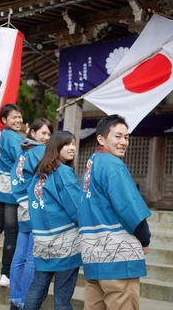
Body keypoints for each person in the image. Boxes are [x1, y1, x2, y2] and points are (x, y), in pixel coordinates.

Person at [78, 114, 151, 310]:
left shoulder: (92, 164)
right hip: (118, 258)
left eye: (126, 137)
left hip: (94, 256)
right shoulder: (112, 165)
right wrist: (144, 239)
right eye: (118, 136)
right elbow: (130, 207)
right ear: (101, 138)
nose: (123, 142)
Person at [23, 131, 82, 310]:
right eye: (67, 144)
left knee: (36, 290)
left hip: (42, 241)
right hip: (65, 241)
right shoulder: (63, 171)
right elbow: (75, 207)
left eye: (73, 143)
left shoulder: (38, 173)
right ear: (56, 147)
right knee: (62, 300)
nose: (72, 147)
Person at [9, 118, 54, 310]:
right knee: (32, 258)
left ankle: (15, 299)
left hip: (22, 206)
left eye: (49, 134)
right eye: (43, 133)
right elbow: (48, 176)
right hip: (35, 207)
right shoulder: (39, 151)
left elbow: (15, 177)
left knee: (19, 257)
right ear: (32, 132)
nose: (47, 138)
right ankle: (27, 300)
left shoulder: (24, 151)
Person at [0, 103, 24, 286]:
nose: (18, 120)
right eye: (14, 117)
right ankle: (6, 274)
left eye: (19, 117)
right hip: (11, 188)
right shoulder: (12, 136)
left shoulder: (0, 134)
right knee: (11, 230)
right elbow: (22, 161)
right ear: (4, 119)